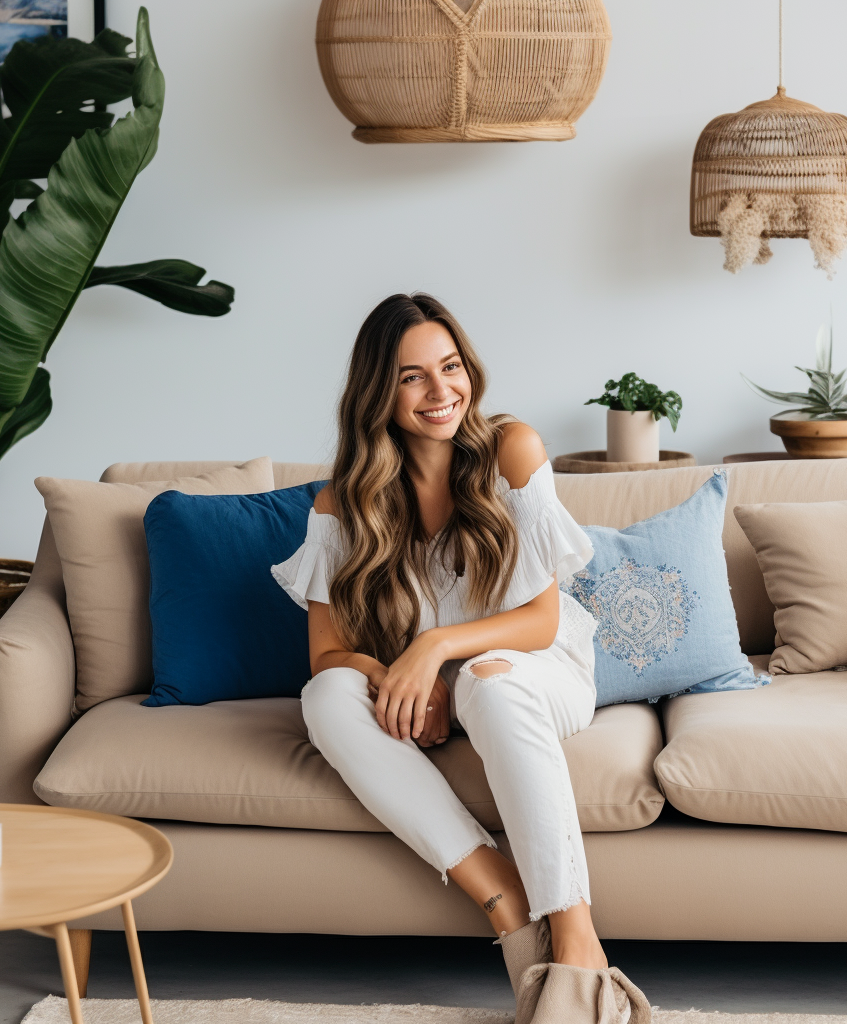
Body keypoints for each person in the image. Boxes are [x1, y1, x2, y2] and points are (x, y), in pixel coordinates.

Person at [272, 293, 650, 1023]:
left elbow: (540, 621)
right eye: (413, 377)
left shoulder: (512, 449)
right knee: (326, 700)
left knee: (487, 679)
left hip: (536, 673)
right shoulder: (339, 507)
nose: (441, 391)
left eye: (450, 367)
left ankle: (577, 945)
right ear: (378, 392)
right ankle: (507, 907)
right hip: (444, 684)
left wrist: (435, 648)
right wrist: (399, 674)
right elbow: (327, 656)